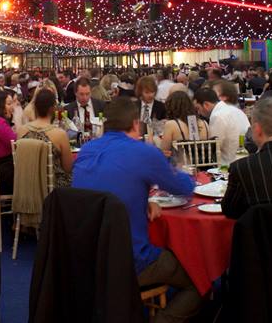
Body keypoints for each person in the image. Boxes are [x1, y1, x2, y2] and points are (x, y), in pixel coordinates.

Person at [73, 97, 201, 323]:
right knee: (200, 279)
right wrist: (184, 172)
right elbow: (183, 188)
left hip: (85, 256)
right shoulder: (143, 152)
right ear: (135, 124)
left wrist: (143, 201)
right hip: (130, 260)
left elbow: (106, 194)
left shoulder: (86, 151)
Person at [16, 89, 73, 187]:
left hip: (27, 185)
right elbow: (68, 168)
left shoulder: (21, 131)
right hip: (53, 187)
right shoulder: (60, 134)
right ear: (53, 108)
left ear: (35, 107)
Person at [196, 86, 250, 165]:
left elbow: (214, 147)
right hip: (245, 160)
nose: (198, 113)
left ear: (206, 105)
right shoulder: (236, 110)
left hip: (229, 164)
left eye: (198, 108)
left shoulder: (217, 116)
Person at [158, 90, 209, 162]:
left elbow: (164, 151)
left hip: (181, 166)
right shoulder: (204, 123)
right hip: (204, 166)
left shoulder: (171, 124)